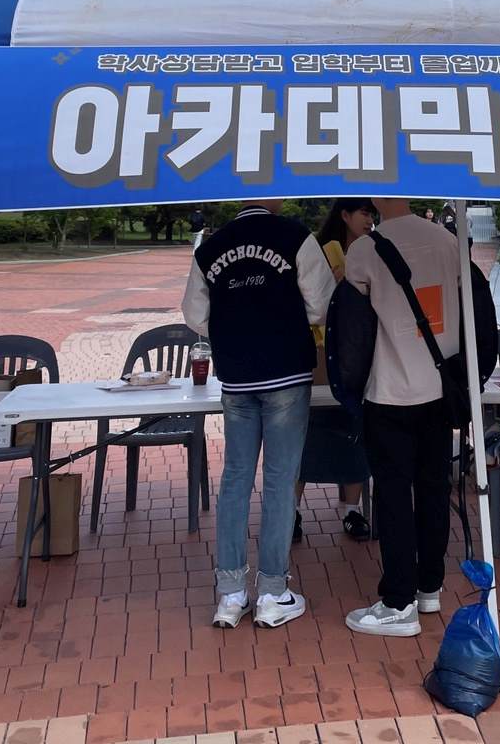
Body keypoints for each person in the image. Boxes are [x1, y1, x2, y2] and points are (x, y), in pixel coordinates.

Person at [182, 200, 336, 630]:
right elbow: (322, 304)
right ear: (275, 198)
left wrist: (236, 326)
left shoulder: (211, 248)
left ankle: (230, 594)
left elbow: (194, 315)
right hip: (286, 370)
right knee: (280, 480)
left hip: (236, 376)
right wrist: (281, 319)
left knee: (235, 479)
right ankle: (272, 592)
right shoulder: (295, 237)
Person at [343, 197, 461, 638]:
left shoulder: (363, 250)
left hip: (389, 390)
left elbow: (353, 320)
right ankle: (429, 587)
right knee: (434, 489)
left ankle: (398, 602)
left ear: (376, 197)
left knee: (393, 497)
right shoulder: (446, 241)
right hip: (440, 388)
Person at [296, 198, 376, 543]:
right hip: (318, 354)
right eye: (364, 213)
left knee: (355, 431)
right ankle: (292, 512)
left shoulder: (373, 251)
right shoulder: (319, 253)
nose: (370, 220)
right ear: (345, 215)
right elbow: (305, 300)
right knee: (305, 435)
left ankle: (352, 510)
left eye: (372, 214)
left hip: (358, 355)